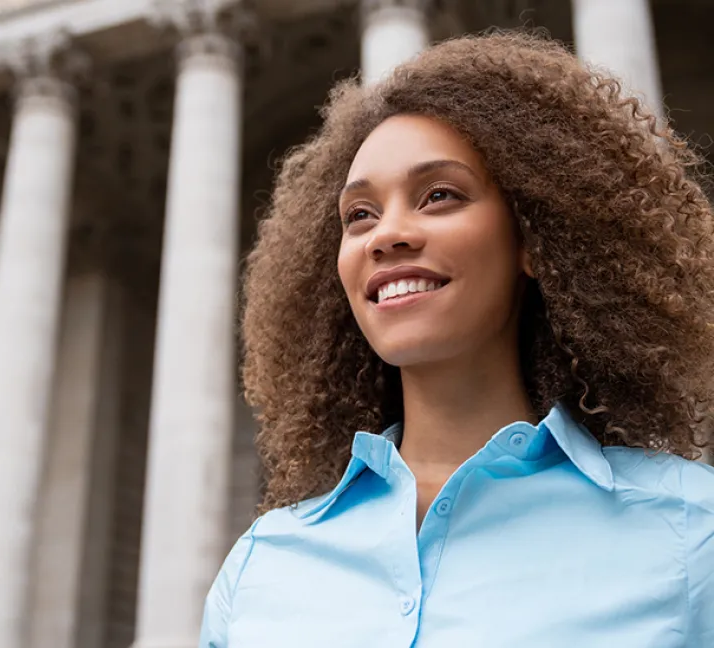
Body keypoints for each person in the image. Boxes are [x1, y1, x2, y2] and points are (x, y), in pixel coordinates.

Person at [199, 32, 714, 647]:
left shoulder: (692, 533)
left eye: (439, 196)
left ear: (534, 238)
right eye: (358, 215)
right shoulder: (261, 567)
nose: (386, 235)